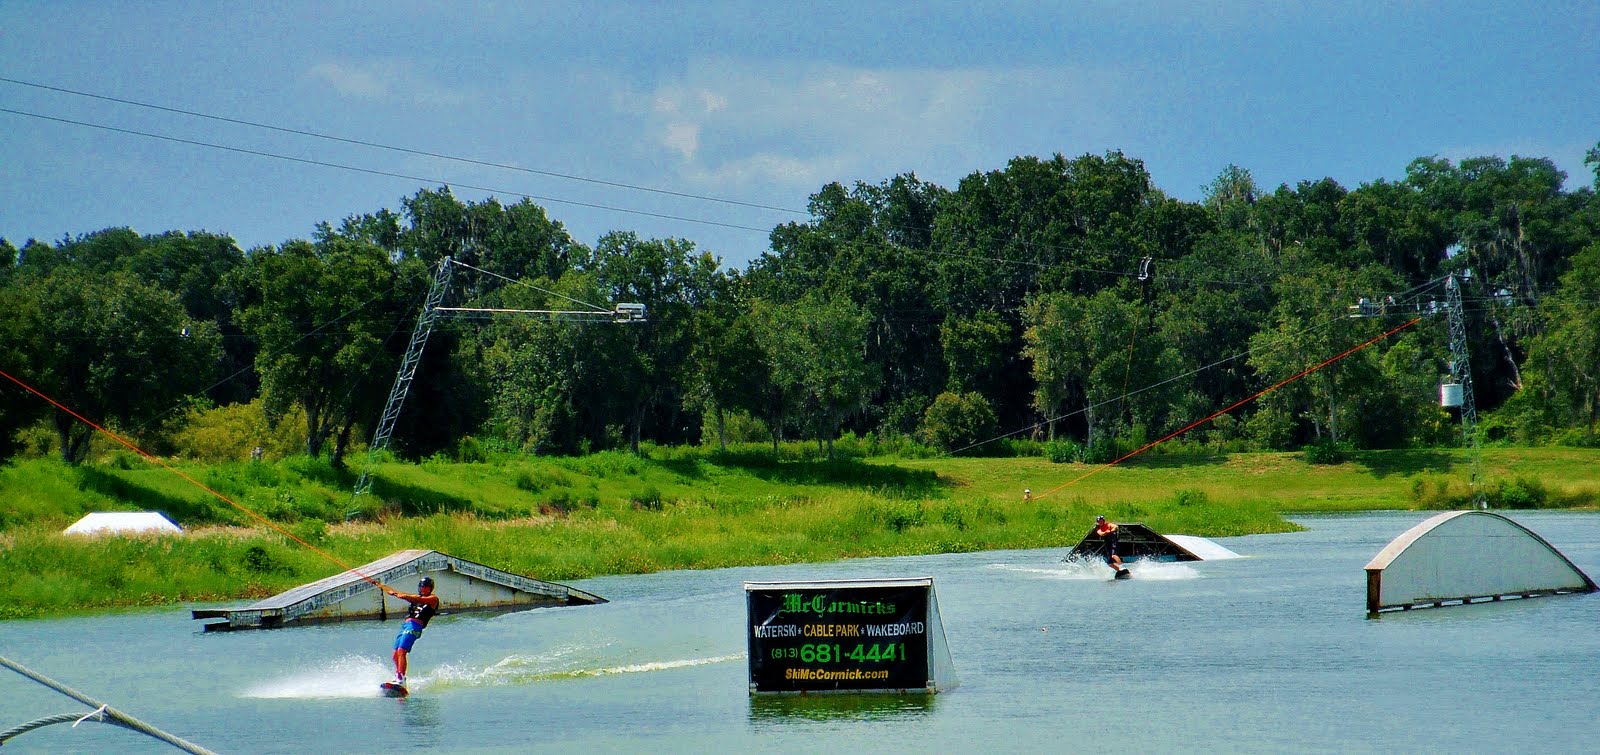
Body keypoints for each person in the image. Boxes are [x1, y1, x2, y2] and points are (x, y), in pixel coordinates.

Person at [384, 576, 440, 687]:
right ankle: (398, 676)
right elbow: (413, 597)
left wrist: (403, 596)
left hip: (415, 626)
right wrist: (394, 593)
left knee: (401, 651)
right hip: (405, 625)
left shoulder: (433, 599)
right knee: (395, 655)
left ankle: (401, 678)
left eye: (426, 587)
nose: (424, 589)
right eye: (422, 586)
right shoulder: (416, 597)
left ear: (430, 589)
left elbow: (417, 599)